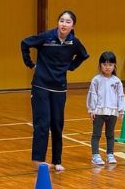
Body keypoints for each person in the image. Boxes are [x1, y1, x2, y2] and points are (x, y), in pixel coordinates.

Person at [21, 10, 88, 171]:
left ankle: (57, 160)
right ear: (58, 22)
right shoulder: (46, 37)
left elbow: (83, 55)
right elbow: (25, 43)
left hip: (59, 88)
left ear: (73, 26)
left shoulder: (74, 42)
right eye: (62, 21)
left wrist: (70, 67)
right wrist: (30, 64)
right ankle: (38, 160)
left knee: (57, 124)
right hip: (41, 86)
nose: (64, 24)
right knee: (42, 123)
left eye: (68, 22)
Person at [87, 51, 125, 166]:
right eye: (104, 64)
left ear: (114, 66)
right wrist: (91, 109)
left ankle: (110, 154)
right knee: (96, 134)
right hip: (99, 112)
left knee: (110, 134)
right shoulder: (96, 80)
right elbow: (92, 94)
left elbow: (120, 96)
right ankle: (95, 155)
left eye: (110, 64)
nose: (107, 67)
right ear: (100, 65)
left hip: (112, 112)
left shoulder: (117, 81)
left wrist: (121, 110)